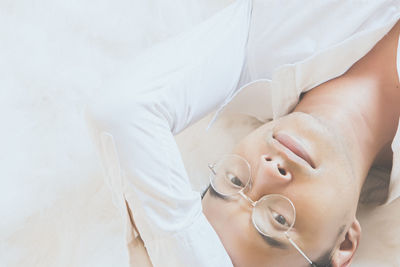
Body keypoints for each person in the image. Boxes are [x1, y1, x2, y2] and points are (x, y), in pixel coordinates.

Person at [85, 1, 400, 266]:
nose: (266, 170)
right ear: (344, 243)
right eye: (278, 219)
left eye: (235, 181)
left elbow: (121, 110)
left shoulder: (258, 50)